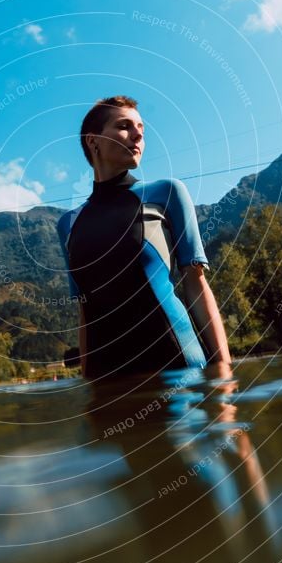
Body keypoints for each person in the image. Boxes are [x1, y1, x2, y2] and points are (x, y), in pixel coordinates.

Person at [56, 96, 231, 379]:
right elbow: (84, 311)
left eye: (141, 128)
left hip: (177, 368)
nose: (138, 134)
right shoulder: (68, 224)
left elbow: (196, 285)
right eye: (124, 126)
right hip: (107, 380)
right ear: (93, 141)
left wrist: (225, 374)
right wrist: (90, 387)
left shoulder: (167, 193)